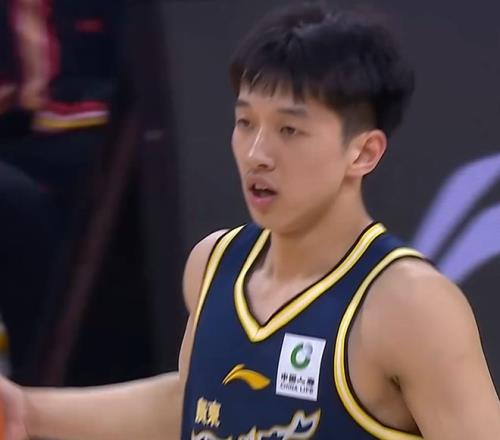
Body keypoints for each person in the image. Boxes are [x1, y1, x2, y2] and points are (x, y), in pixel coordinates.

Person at [1, 3, 500, 439]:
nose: (257, 153)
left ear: (363, 152)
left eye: (289, 129)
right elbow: (194, 405)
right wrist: (28, 411)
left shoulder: (409, 305)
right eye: (245, 123)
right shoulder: (213, 262)